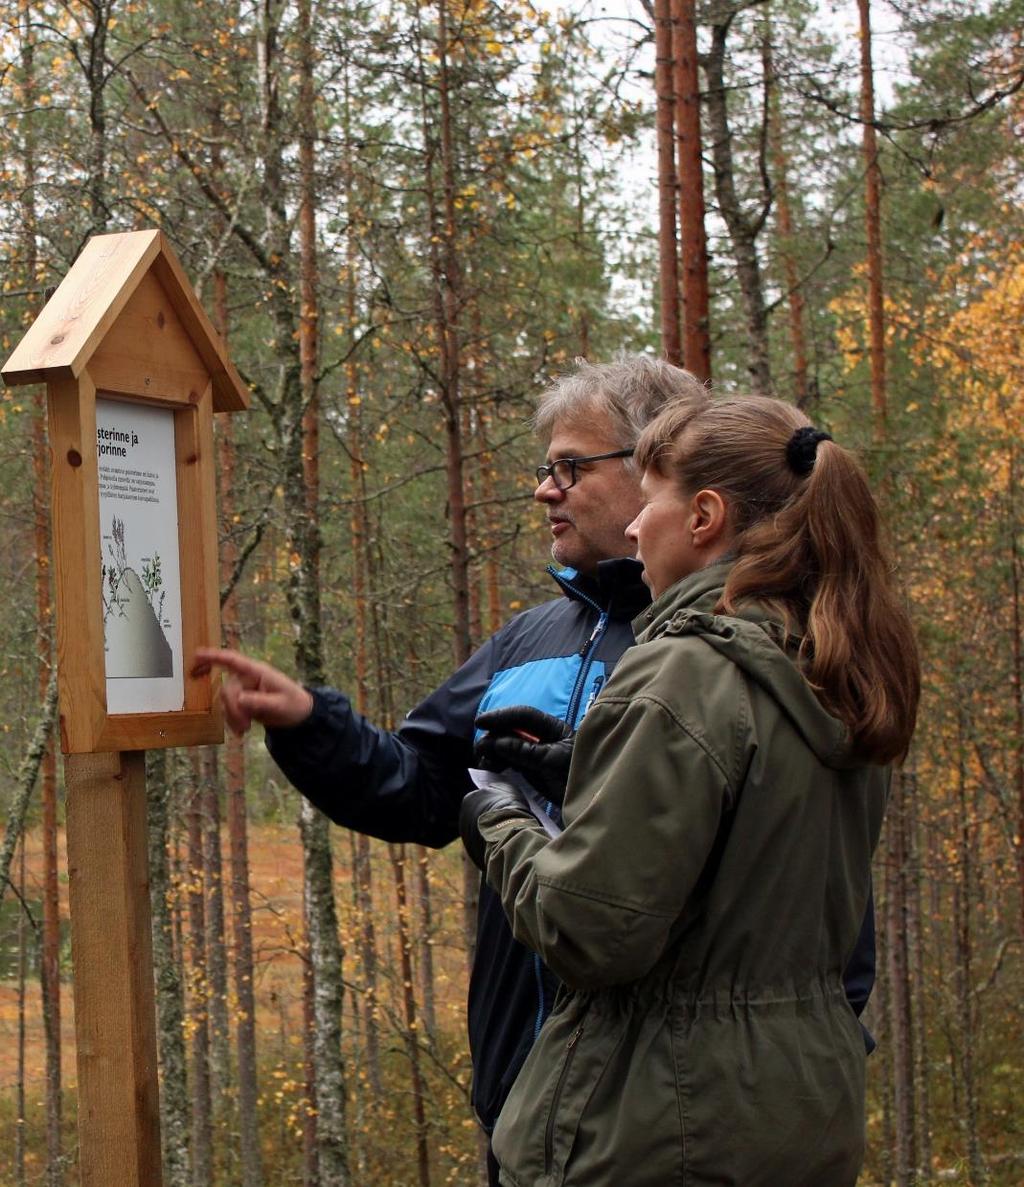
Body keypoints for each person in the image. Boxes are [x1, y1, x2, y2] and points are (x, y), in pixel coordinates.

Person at [191, 355, 713, 1182]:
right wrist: (308, 721)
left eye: (571, 467)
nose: (546, 490)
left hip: (669, 1125)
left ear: (656, 469)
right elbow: (425, 788)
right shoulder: (528, 641)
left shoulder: (724, 647)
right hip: (525, 1108)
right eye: (545, 468)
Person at [461, 395, 919, 1187]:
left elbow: (591, 929)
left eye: (653, 500)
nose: (635, 529)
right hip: (802, 1111)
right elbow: (754, 835)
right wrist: (593, 770)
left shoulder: (684, 668)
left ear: (705, 514)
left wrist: (497, 816)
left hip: (659, 1123)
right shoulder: (836, 667)